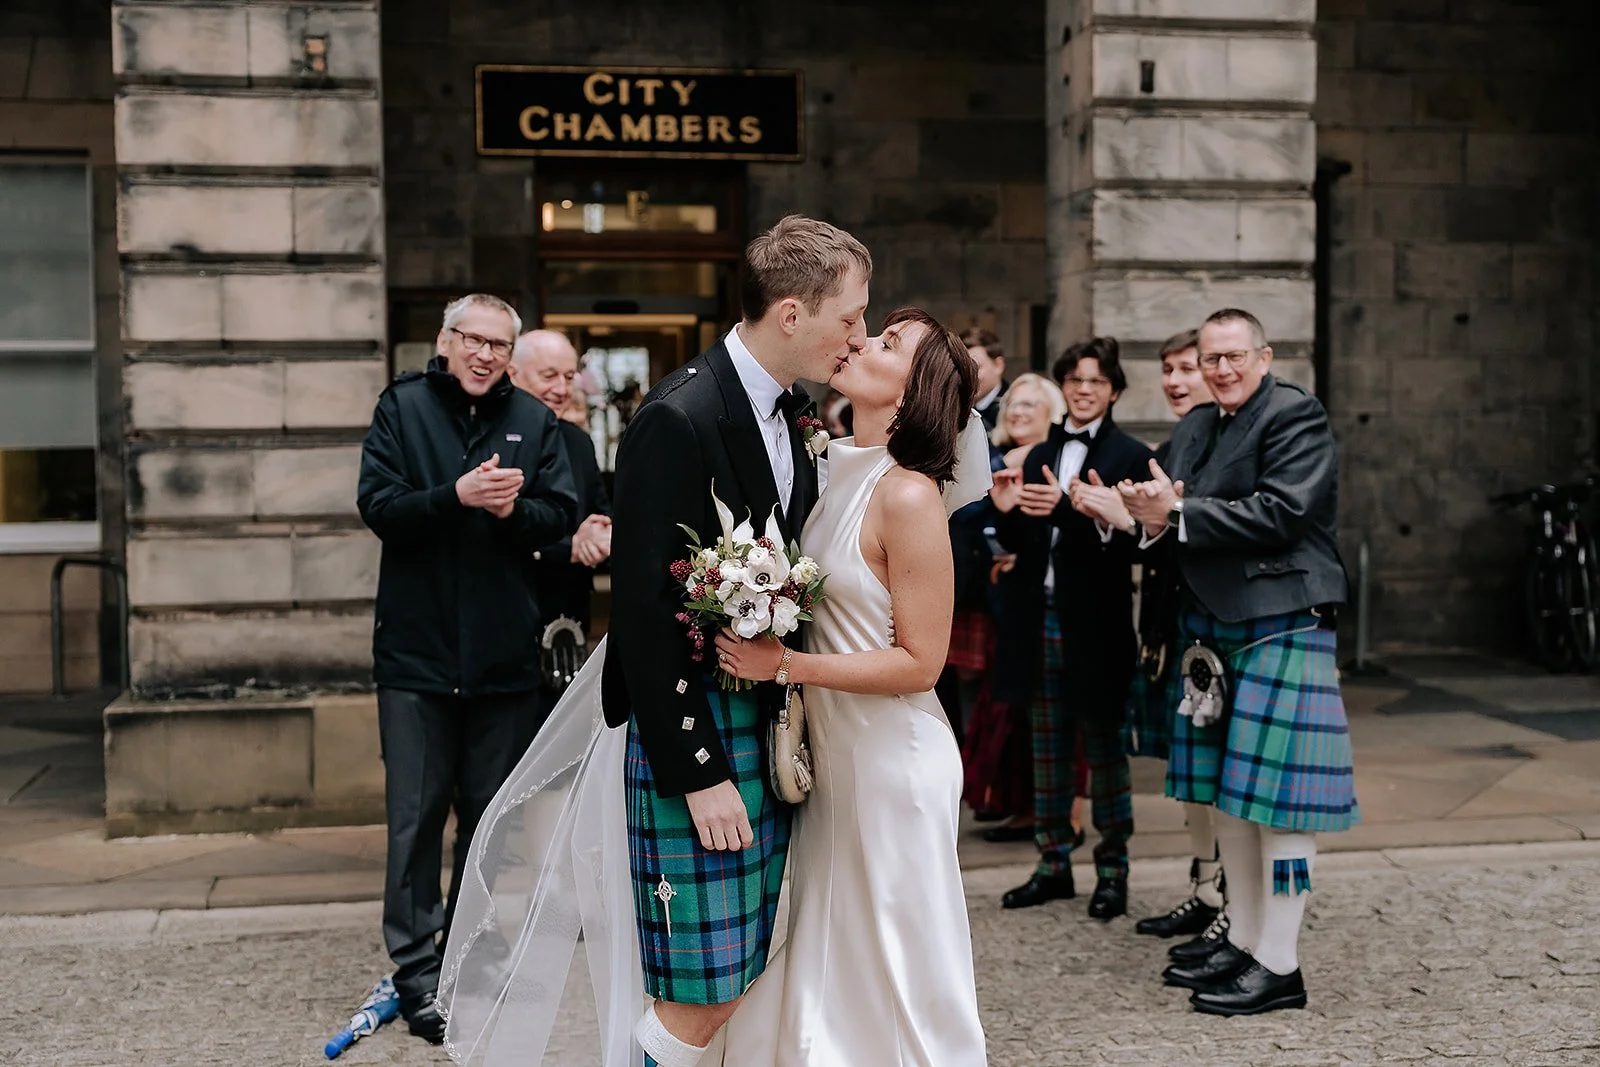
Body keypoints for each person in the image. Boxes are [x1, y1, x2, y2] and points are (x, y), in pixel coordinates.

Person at [436, 215, 872, 1066]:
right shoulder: (680, 416)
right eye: (850, 317)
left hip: (763, 723)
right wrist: (698, 771)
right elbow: (640, 607)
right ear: (792, 313)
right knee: (698, 990)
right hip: (698, 735)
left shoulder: (797, 412)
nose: (857, 335)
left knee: (744, 965)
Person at [715, 307, 990, 1066]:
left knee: (902, 971)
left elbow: (921, 662)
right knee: (834, 950)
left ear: (914, 391)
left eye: (889, 343)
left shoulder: (906, 495)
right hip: (838, 758)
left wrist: (785, 665)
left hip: (893, 762)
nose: (864, 340)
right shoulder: (831, 470)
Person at [1120, 308, 1358, 1016]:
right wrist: (1138, 510)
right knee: (1232, 800)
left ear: (1263, 356)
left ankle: (1280, 963)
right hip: (1220, 630)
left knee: (1282, 806)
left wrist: (1179, 511)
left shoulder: (1294, 416)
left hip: (1283, 623)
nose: (1221, 368)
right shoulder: (1199, 424)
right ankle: (1248, 940)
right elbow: (1170, 503)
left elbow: (1284, 510)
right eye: (1211, 357)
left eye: (1233, 356)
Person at [355, 293, 578, 1043]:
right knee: (414, 823)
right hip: (415, 658)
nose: (485, 355)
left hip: (503, 660)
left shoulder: (538, 423)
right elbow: (378, 506)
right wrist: (456, 496)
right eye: (472, 340)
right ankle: (416, 973)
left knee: (488, 825)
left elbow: (561, 518)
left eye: (498, 344)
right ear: (446, 342)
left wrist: (514, 512)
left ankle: (463, 963)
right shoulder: (403, 407)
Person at [1070, 329, 1227, 948]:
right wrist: (1127, 522)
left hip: (1219, 630)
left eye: (1187, 367)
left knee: (1217, 776)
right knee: (1190, 773)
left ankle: (1231, 903)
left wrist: (1126, 519)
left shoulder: (1222, 448)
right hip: (1175, 631)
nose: (1175, 380)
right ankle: (1208, 889)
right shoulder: (1176, 447)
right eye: (1168, 368)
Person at [990, 337, 1152, 920]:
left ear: (1113, 390)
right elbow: (1021, 548)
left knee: (1104, 751)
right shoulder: (1035, 455)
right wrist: (1006, 515)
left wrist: (1064, 508)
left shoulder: (1133, 456)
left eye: (1097, 381)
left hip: (1098, 625)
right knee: (1047, 747)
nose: (1086, 389)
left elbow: (1136, 546)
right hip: (1038, 622)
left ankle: (1114, 871)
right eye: (1076, 380)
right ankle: (1052, 865)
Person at [961, 373, 1064, 839]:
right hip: (999, 600)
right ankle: (1014, 803)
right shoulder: (996, 457)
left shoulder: (1056, 461)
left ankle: (1057, 814)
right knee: (1005, 707)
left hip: (1046, 605)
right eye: (1015, 405)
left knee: (1041, 712)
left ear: (1050, 412)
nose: (1019, 412)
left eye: (1030, 405)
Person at [509, 329, 612, 636]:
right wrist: (568, 547)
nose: (561, 388)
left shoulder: (577, 441)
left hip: (570, 610)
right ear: (512, 375)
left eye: (568, 377)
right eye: (549, 376)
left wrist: (601, 534)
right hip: (512, 610)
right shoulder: (490, 439)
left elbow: (600, 508)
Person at [961, 326, 1007, 432]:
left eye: (976, 367)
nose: (968, 376)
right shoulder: (954, 409)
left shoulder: (1015, 410)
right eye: (961, 369)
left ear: (998, 365)